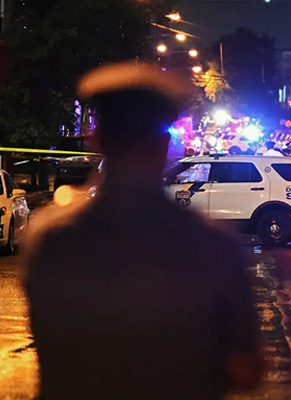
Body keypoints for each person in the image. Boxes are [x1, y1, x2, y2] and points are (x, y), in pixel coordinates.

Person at [23, 62, 263, 400]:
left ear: (96, 139)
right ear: (164, 146)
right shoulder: (213, 246)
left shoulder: (49, 238)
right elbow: (244, 370)